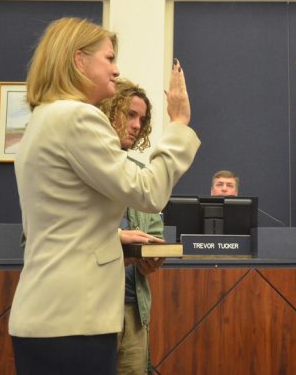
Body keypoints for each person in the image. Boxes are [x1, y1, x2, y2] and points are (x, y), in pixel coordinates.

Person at [9, 17, 200, 375]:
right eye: (109, 58)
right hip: (74, 319)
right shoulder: (78, 118)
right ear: (79, 60)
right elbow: (148, 191)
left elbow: (70, 225)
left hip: (45, 316)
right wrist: (178, 126)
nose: (116, 70)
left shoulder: (42, 120)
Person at [99, 79, 164, 375]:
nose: (137, 125)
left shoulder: (141, 175)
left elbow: (155, 238)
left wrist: (150, 260)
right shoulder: (86, 166)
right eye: (130, 115)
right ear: (110, 110)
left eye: (142, 119)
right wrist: (119, 239)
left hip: (134, 310)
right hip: (92, 308)